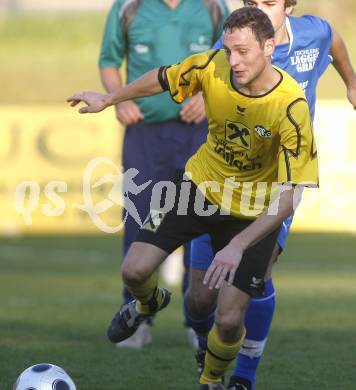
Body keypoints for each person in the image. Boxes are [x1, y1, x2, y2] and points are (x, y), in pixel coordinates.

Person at [68, 7, 319, 389]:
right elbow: (162, 78)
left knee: (229, 317)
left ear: (269, 47)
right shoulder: (212, 66)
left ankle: (211, 378)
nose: (233, 61)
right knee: (134, 271)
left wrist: (238, 245)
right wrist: (110, 97)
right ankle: (148, 305)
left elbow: (288, 198)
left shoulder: (290, 106)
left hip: (253, 214)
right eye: (229, 50)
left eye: (243, 52)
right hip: (199, 188)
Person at [184, 1, 356, 389]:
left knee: (258, 275)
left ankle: (244, 377)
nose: (258, 9)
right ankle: (202, 342)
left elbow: (336, 43)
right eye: (251, 2)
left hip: (277, 182)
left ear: (289, 6)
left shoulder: (313, 33)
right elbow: (206, 72)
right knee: (199, 297)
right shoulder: (232, 42)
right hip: (223, 180)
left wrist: (351, 82)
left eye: (268, 3)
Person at [99, 0, 229, 348]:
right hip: (145, 134)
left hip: (201, 133)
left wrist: (207, 95)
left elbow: (233, 61)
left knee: (202, 225)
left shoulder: (214, 7)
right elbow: (109, 62)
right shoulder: (128, 8)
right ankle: (137, 315)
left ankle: (198, 319)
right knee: (138, 219)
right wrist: (119, 99)